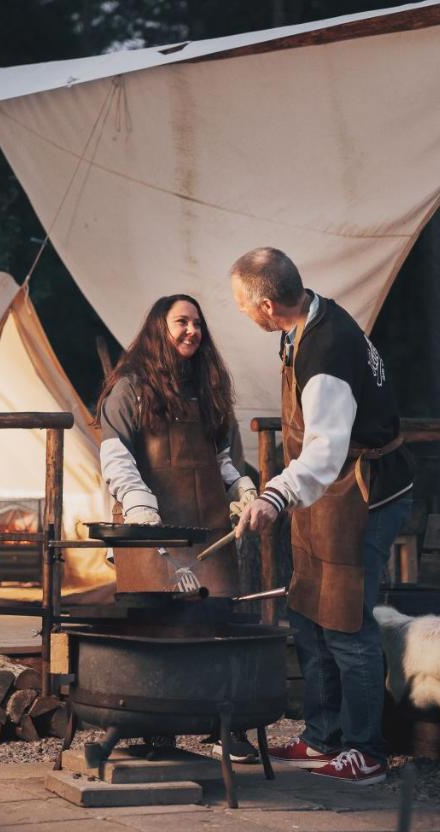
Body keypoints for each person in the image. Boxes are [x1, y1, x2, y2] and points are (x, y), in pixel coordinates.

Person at [230, 247, 414, 785]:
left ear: (267, 305)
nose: (240, 312)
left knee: (347, 623)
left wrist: (274, 496)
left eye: (242, 303)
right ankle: (322, 737)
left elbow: (325, 452)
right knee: (309, 614)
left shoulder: (327, 351)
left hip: (360, 493)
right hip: (324, 495)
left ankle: (366, 751)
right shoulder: (305, 321)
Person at [96, 293, 260, 760]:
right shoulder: (130, 388)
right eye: (180, 322)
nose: (191, 331)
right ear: (158, 329)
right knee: (158, 629)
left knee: (218, 628)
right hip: (153, 529)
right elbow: (117, 457)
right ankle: (158, 728)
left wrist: (244, 491)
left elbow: (224, 460)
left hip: (208, 529)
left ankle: (225, 727)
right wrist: (140, 511)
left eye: (197, 324)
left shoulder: (208, 389)